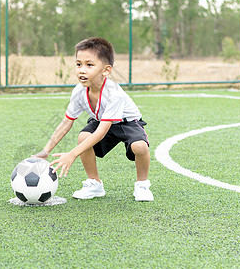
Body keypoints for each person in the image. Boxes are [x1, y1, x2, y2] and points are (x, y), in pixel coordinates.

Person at [34, 37, 153, 201]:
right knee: (83, 136)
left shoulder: (114, 94)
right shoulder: (79, 91)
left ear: (106, 70)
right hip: (103, 120)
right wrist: (46, 150)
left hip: (126, 122)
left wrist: (72, 154)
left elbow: (102, 131)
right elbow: (67, 122)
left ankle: (142, 184)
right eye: (78, 64)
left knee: (139, 146)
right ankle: (94, 183)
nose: (82, 70)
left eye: (89, 65)